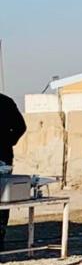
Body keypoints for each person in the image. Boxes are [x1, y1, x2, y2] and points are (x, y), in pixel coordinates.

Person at [0, 92, 27, 245]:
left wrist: (7, 142)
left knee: (4, 198)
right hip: (4, 156)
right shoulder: (6, 101)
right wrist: (8, 141)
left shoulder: (6, 102)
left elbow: (20, 127)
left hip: (3, 158)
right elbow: (21, 127)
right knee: (4, 199)